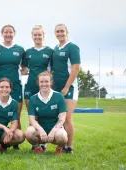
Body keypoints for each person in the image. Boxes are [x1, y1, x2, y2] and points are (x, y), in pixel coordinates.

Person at [0, 25, 25, 149]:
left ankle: (15, 144)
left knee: (16, 116)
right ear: (2, 34)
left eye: (11, 32)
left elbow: (24, 69)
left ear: (14, 34)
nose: (8, 34)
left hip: (16, 86)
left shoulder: (20, 49)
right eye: (6, 32)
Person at [22, 25, 53, 150]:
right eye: (35, 35)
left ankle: (43, 142)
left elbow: (53, 69)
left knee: (43, 115)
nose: (37, 37)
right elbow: (23, 70)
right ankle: (34, 144)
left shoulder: (50, 51)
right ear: (32, 36)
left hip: (45, 86)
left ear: (43, 36)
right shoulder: (28, 52)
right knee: (32, 116)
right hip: (30, 86)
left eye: (39, 34)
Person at [51, 24, 81, 154]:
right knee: (59, 117)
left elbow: (76, 68)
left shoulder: (72, 47)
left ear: (66, 32)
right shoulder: (55, 49)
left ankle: (69, 146)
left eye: (62, 31)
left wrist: (67, 86)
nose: (60, 33)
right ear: (55, 34)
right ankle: (61, 144)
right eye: (57, 31)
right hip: (56, 88)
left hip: (69, 87)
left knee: (67, 117)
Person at [25, 71, 68, 154]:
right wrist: (41, 130)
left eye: (46, 81)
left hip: (56, 129)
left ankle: (59, 148)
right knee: (29, 132)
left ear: (51, 82)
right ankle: (38, 148)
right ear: (38, 83)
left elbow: (62, 118)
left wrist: (54, 131)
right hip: (40, 130)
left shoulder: (59, 96)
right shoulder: (33, 99)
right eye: (41, 81)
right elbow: (32, 120)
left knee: (62, 137)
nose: (44, 84)